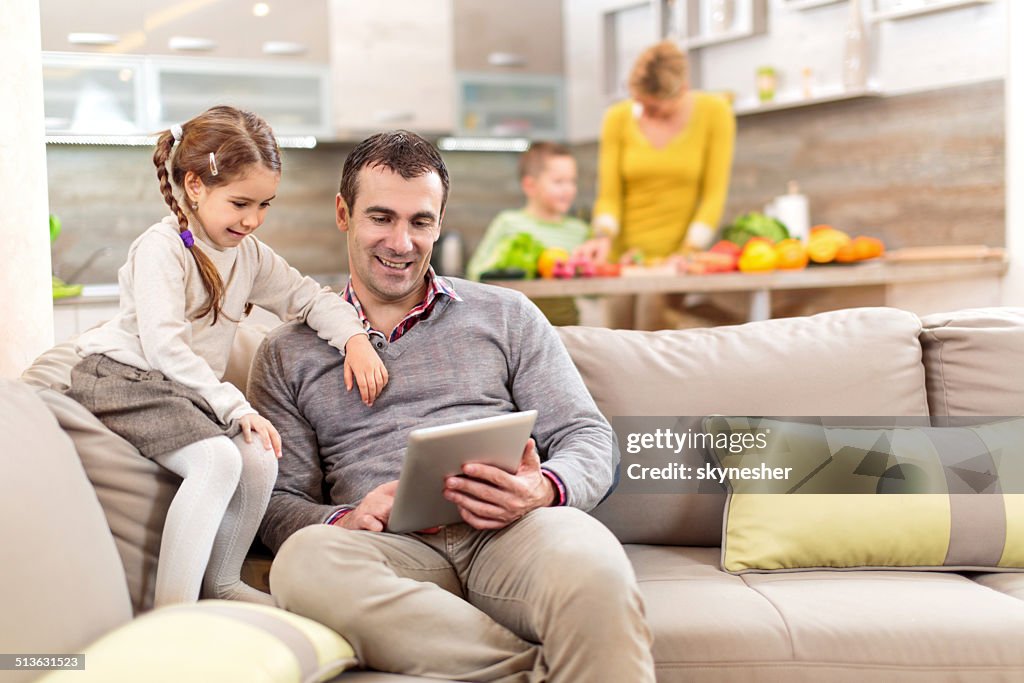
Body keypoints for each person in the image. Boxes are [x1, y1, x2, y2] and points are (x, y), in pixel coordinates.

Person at [250, 130, 655, 682]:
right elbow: (278, 501)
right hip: (389, 554)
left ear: (439, 223)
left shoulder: (507, 314)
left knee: (596, 567)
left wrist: (543, 488)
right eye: (381, 218)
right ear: (343, 213)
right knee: (302, 564)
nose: (401, 242)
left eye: (420, 222)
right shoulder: (286, 351)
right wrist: (345, 517)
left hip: (513, 533)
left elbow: (587, 435)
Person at [65, 105, 389, 607]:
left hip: (179, 389)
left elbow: (310, 298)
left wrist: (355, 339)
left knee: (260, 458)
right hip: (124, 376)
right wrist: (237, 407)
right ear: (194, 186)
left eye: (265, 205)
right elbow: (165, 347)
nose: (253, 220)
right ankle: (173, 610)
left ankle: (221, 582)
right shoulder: (161, 249)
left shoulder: (249, 254)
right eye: (241, 203)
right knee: (217, 459)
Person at [577, 39, 736, 329]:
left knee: (653, 327)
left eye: (655, 108)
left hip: (675, 259)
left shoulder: (715, 113)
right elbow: (609, 195)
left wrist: (688, 250)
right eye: (639, 104)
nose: (645, 115)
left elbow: (713, 196)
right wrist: (602, 236)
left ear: (683, 91)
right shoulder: (617, 118)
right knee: (614, 342)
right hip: (622, 258)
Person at [465, 141, 590, 325]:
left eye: (572, 181)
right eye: (559, 182)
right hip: (518, 327)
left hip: (565, 326)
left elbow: (596, 293)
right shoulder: (508, 223)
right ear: (530, 186)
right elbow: (476, 273)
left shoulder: (580, 231)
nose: (568, 189)